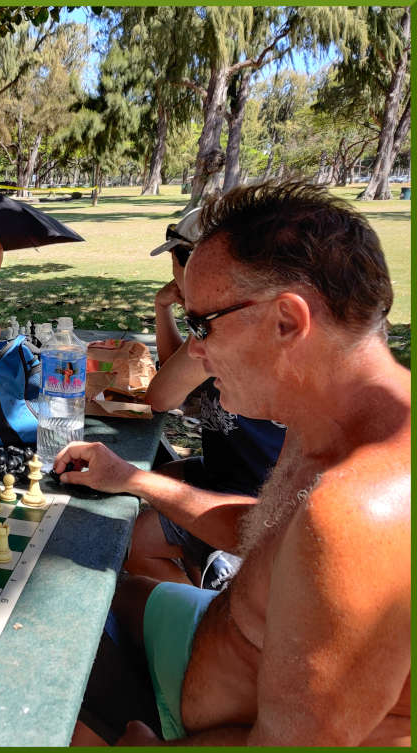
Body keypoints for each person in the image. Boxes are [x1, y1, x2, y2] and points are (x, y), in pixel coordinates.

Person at [59, 180, 410, 745]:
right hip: (211, 627)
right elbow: (264, 535)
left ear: (288, 321)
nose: (192, 351)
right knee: (93, 593)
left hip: (198, 726)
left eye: (202, 324)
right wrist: (131, 478)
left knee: (18, 680)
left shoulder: (359, 514)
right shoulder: (321, 417)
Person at [129, 207, 285, 588]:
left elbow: (162, 396)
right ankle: (199, 571)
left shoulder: (229, 328)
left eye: (174, 258)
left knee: (131, 547)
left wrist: (200, 325)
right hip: (229, 469)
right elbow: (178, 374)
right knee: (153, 481)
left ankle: (199, 610)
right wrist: (165, 308)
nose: (171, 270)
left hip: (256, 495)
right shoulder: (224, 324)